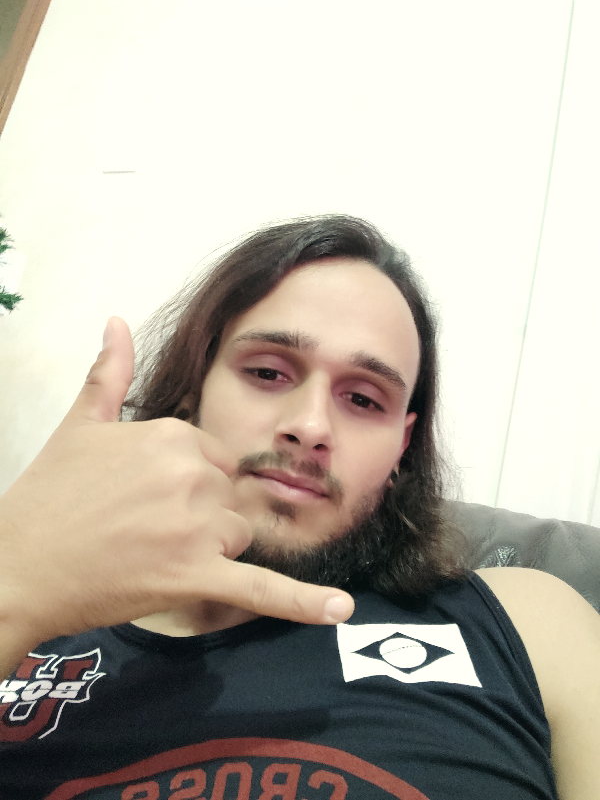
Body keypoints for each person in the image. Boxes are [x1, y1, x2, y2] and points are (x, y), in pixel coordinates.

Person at [0, 216, 598, 799]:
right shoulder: (37, 615)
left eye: (363, 399)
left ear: (402, 447)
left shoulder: (529, 623)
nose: (311, 426)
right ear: (193, 390)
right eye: (267, 372)